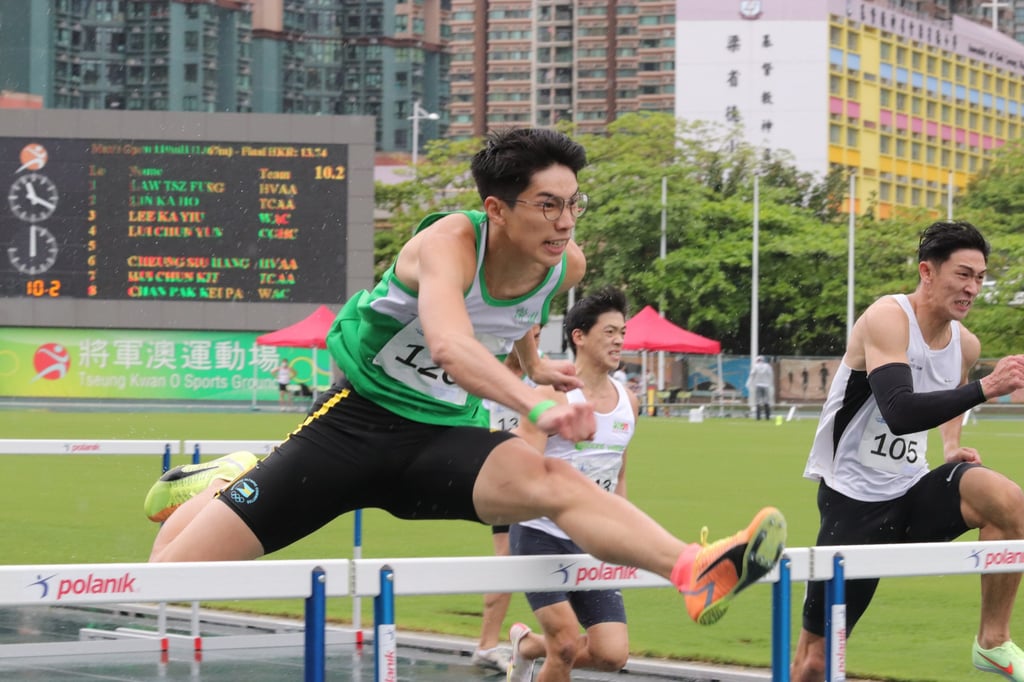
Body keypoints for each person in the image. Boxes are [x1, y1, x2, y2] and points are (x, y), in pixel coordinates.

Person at [144, 127, 786, 635]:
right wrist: (534, 403)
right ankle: (227, 479)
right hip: (352, 429)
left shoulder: (563, 267)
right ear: (495, 210)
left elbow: (519, 316)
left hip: (442, 439)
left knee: (556, 481)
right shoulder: (447, 242)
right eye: (547, 206)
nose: (565, 222)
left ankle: (694, 570)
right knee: (165, 578)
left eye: (573, 205)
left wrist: (533, 363)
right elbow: (452, 344)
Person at [791, 220, 1024, 682]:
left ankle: (992, 640)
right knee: (815, 663)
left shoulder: (965, 343)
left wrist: (952, 446)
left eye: (979, 277)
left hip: (912, 493)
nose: (973, 288)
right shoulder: (887, 318)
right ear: (927, 272)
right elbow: (899, 411)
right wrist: (987, 387)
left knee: (1007, 501)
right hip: (852, 501)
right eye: (963, 274)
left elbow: (949, 391)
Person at [506, 286, 638, 682]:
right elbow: (521, 471)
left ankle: (527, 646)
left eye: (622, 333)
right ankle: (542, 649)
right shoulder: (550, 394)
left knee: (612, 654)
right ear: (579, 336)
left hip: (593, 537)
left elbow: (619, 474)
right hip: (541, 535)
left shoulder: (629, 401)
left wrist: (622, 529)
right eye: (609, 332)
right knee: (563, 644)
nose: (619, 341)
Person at [472, 323, 542, 673]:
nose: (533, 344)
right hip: (501, 481)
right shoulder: (489, 376)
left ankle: (493, 643)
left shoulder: (540, 383)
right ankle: (488, 644)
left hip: (536, 482)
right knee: (506, 557)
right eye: (528, 336)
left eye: (539, 337)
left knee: (513, 559)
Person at [747, 355, 774, 421]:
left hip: (758, 385)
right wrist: (770, 383)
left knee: (758, 401)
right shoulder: (767, 366)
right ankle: (767, 417)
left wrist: (749, 383)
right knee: (766, 401)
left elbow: (752, 374)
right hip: (766, 385)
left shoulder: (756, 366)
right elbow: (771, 374)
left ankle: (758, 417)